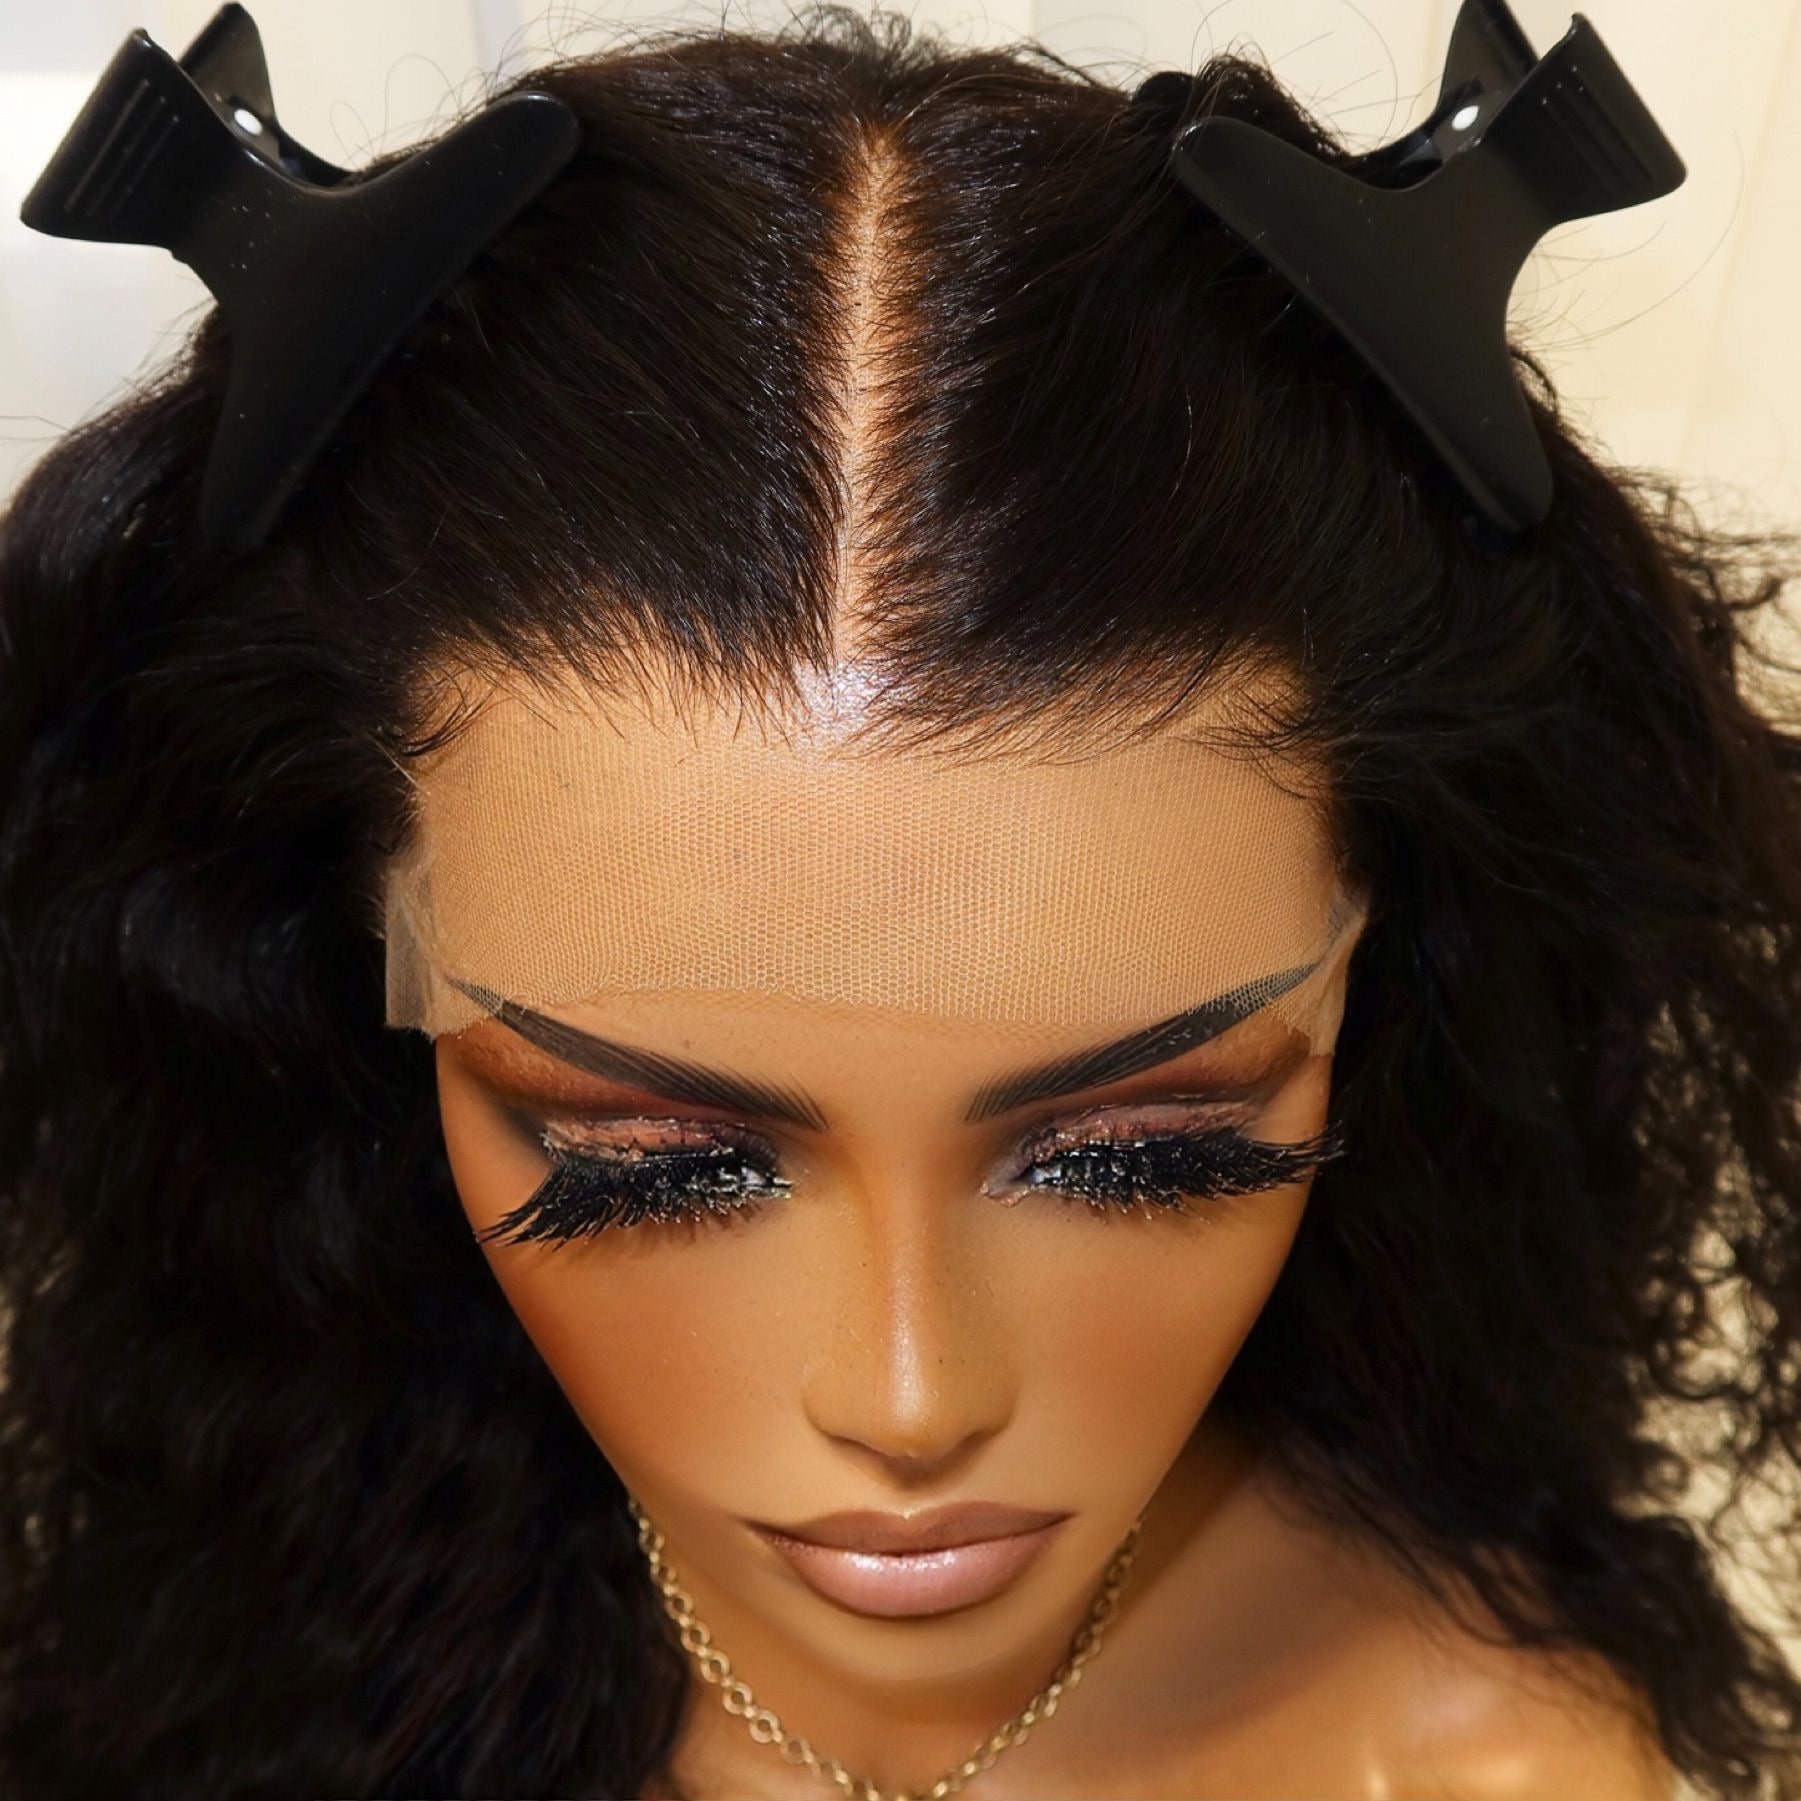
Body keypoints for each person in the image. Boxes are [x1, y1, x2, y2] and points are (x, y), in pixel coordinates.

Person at [1, 4, 1798, 1797]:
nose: (910, 1399)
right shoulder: (230, 1640)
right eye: (651, 1160)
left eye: (1141, 1153)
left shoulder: (1474, 1763)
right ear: (333, 984)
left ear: (1387, 988)